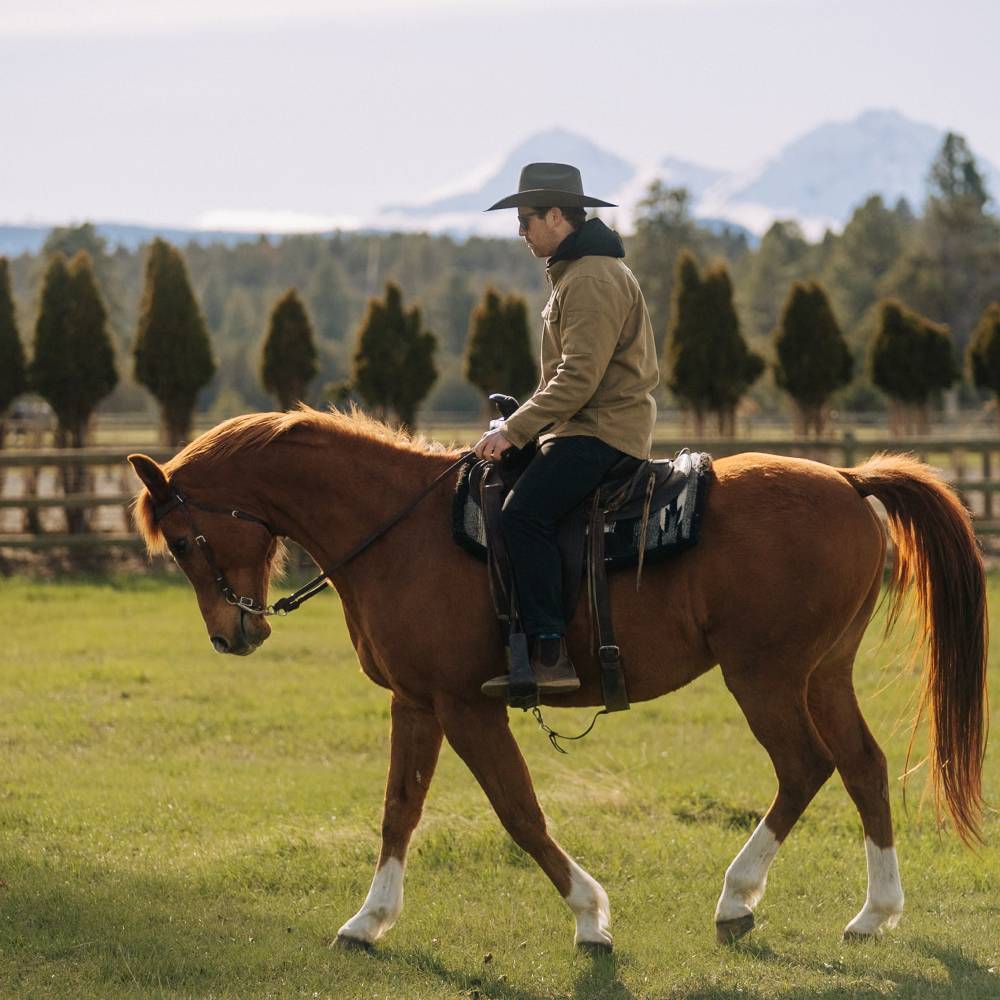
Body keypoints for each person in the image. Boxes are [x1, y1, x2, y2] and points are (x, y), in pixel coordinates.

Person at [474, 162, 659, 699]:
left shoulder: (593, 278)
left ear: (557, 216)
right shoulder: (577, 274)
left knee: (523, 515)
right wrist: (525, 418)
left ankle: (549, 652)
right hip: (582, 428)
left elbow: (578, 378)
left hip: (601, 432)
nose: (521, 231)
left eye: (526, 219)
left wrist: (515, 429)